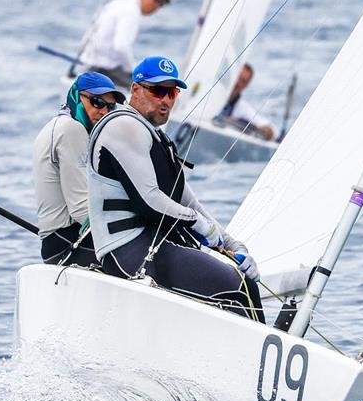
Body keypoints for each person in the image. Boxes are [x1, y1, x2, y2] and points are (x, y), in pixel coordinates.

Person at [87, 56, 264, 322]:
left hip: (152, 246)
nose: (166, 100)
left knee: (241, 283)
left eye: (172, 92)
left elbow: (188, 202)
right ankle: (255, 358)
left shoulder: (155, 136)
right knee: (237, 287)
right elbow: (150, 201)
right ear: (135, 89)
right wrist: (200, 227)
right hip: (128, 251)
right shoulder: (124, 126)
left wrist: (231, 242)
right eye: (158, 90)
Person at [33, 71, 126, 266]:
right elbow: (81, 207)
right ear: (76, 97)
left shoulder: (54, 125)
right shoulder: (71, 130)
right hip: (68, 243)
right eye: (97, 102)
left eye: (110, 106)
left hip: (55, 242)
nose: (103, 111)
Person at [75, 0, 171, 88]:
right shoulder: (132, 11)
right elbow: (121, 47)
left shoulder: (119, 3)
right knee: (150, 89)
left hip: (86, 65)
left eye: (161, 4)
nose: (157, 6)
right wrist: (134, 71)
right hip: (103, 71)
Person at [217, 63, 277, 141]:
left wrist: (267, 131)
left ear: (246, 85)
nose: (238, 83)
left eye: (243, 81)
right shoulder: (210, 92)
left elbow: (271, 129)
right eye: (237, 77)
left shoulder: (243, 108)